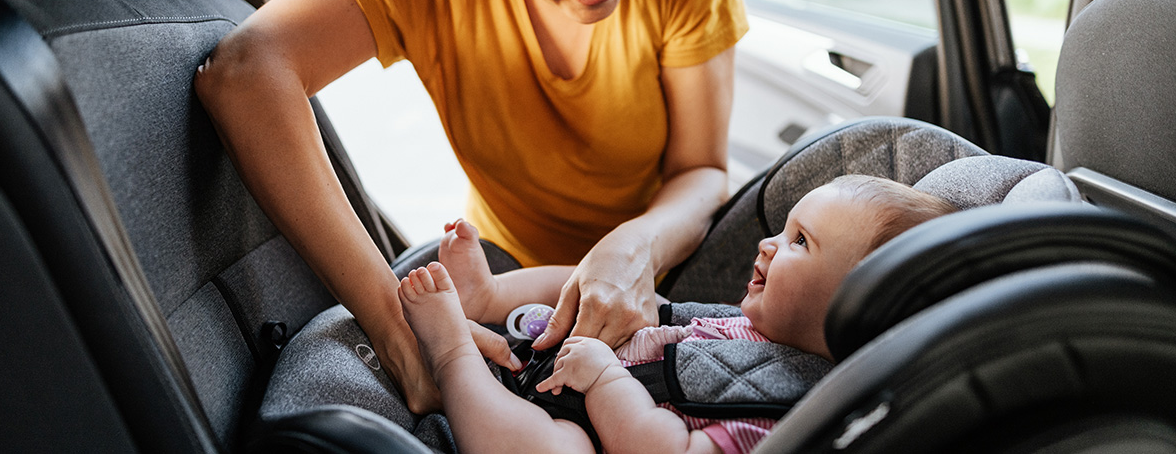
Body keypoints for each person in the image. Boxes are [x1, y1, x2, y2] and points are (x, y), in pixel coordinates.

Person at [194, 0, 748, 413]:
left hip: (668, 265)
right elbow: (244, 75)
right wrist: (400, 336)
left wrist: (636, 248)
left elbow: (699, 170)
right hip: (504, 275)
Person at [398, 175, 959, 454]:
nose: (766, 244)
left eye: (799, 243)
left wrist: (606, 379)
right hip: (581, 358)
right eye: (782, 229)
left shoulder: (783, 415)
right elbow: (668, 329)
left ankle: (450, 360)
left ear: (855, 305)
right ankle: (488, 298)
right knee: (597, 283)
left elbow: (668, 448)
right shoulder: (755, 328)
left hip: (591, 425)